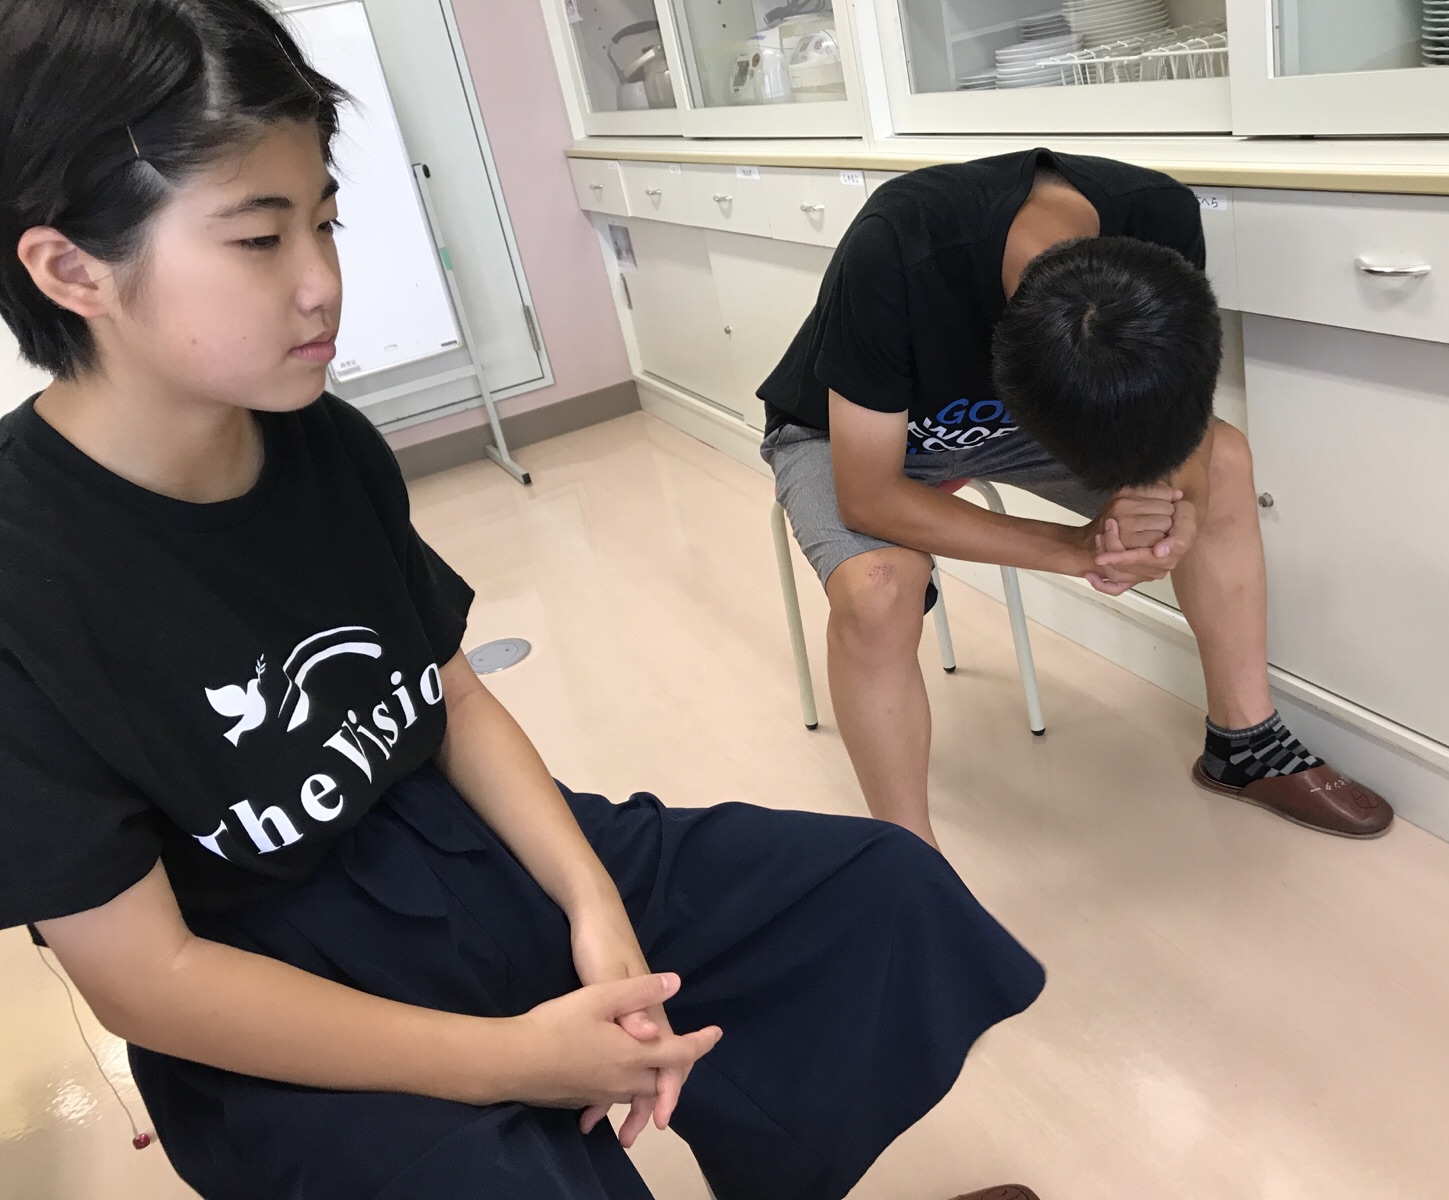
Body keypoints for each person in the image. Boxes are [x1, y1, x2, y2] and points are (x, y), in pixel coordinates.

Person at [0, 4, 1045, 1198]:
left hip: (456, 849)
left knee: (876, 891)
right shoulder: (24, 579)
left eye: (326, 223)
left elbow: (447, 697)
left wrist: (593, 905)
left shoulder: (322, 442)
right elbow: (148, 982)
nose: (321, 284)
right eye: (257, 239)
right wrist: (513, 1061)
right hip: (268, 979)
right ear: (70, 269)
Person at [760, 150, 1394, 848]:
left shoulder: (1159, 217)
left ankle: (1245, 746)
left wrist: (1185, 505)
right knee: (879, 587)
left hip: (1018, 419)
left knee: (1226, 457)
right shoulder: (898, 240)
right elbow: (870, 495)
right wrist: (1074, 548)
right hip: (848, 435)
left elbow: (1182, 405)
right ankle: (906, 854)